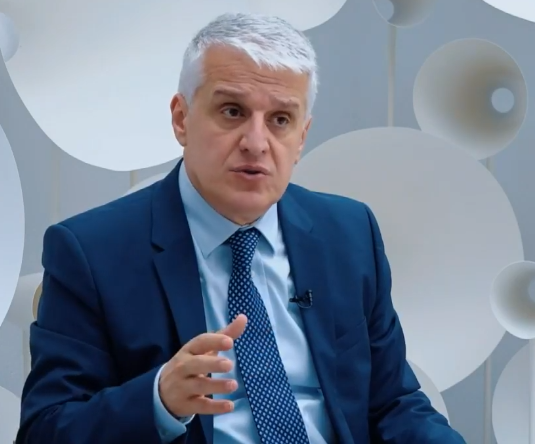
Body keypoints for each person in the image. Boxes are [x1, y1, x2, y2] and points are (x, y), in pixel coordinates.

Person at [16, 12, 466, 444]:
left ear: (301, 137)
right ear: (181, 119)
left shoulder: (349, 234)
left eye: (280, 120)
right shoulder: (91, 252)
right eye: (232, 111)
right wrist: (159, 400)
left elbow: (393, 403)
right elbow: (45, 430)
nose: (256, 143)